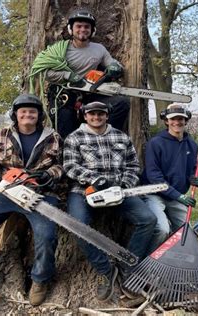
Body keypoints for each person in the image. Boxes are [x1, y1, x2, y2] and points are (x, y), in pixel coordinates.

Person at [0, 94, 63, 311]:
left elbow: (61, 165)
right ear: (15, 114)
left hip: (39, 192)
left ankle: (40, 279)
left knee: (46, 236)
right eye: (23, 111)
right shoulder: (1, 134)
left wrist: (49, 175)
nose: (28, 115)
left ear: (39, 116)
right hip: (6, 191)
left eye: (32, 112)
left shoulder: (52, 137)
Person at [63, 101, 156, 301]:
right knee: (77, 225)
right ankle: (106, 269)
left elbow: (133, 165)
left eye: (101, 114)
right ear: (85, 116)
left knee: (147, 219)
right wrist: (94, 180)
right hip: (84, 190)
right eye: (92, 114)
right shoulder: (75, 137)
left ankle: (128, 266)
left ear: (107, 116)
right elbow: (70, 166)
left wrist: (123, 185)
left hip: (117, 190)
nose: (96, 117)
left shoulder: (121, 137)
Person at [31, 8, 130, 138]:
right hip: (65, 95)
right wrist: (68, 76)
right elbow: (44, 72)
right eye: (78, 26)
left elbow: (110, 62)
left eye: (86, 27)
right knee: (66, 126)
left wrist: (114, 67)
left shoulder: (99, 49)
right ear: (71, 29)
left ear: (92, 30)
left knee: (121, 103)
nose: (83, 29)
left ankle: (105, 138)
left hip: (90, 93)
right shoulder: (60, 49)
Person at [141, 104, 198, 254]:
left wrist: (193, 178)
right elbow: (154, 176)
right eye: (173, 119)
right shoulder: (155, 143)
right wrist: (178, 196)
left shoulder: (192, 145)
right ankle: (150, 260)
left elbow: (192, 168)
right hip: (154, 194)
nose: (177, 122)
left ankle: (172, 257)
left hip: (175, 196)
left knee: (186, 233)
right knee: (162, 229)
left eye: (181, 119)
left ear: (186, 120)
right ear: (167, 121)